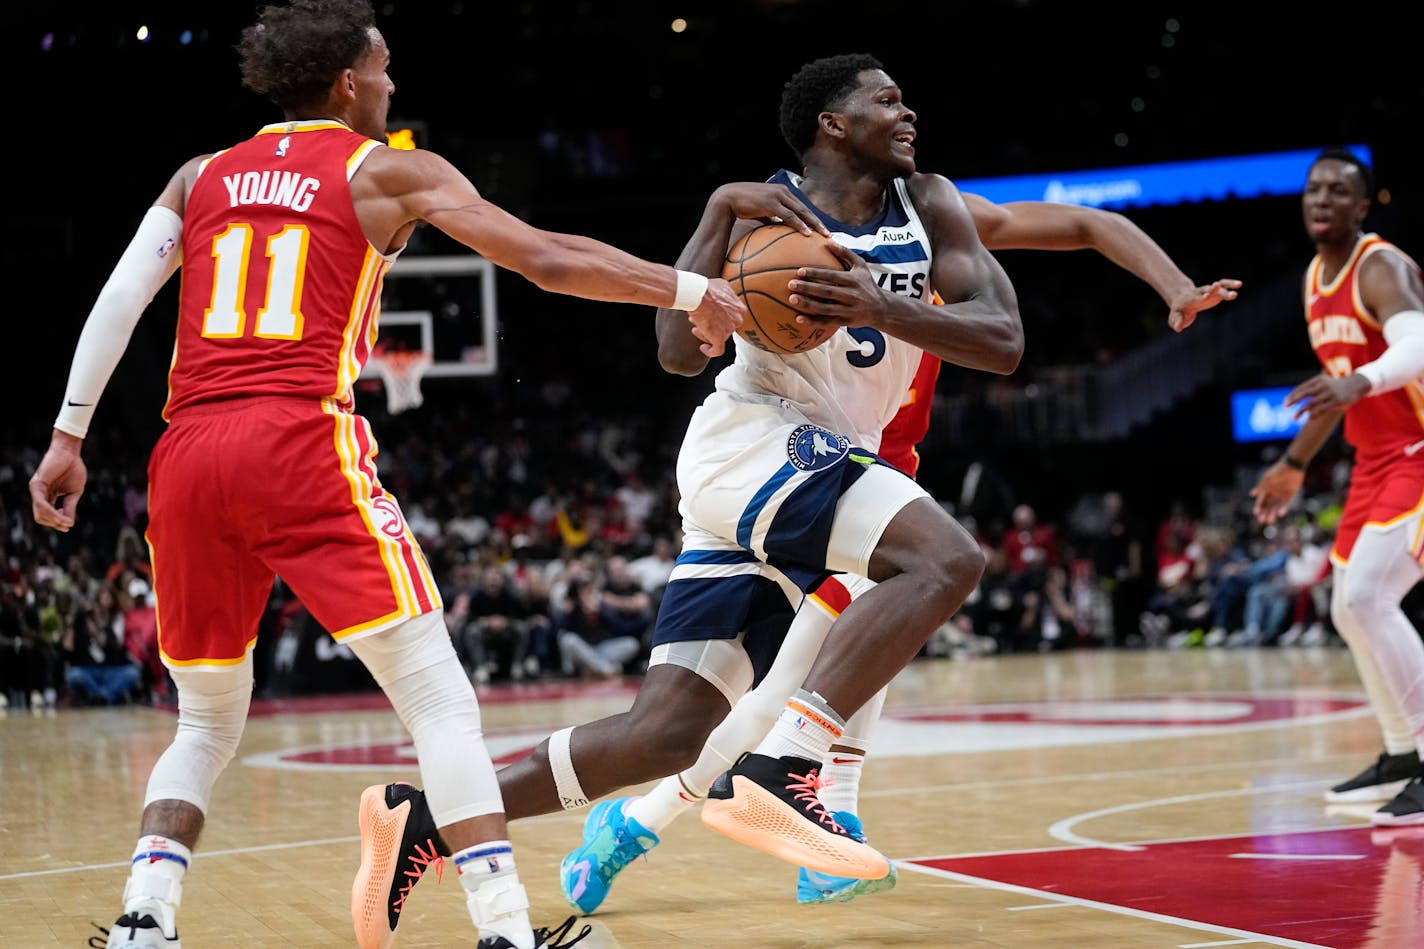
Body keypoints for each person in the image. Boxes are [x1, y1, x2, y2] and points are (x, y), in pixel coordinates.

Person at [362, 50, 1239, 927]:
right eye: (886, 100)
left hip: (823, 465)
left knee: (666, 731)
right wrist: (713, 214)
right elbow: (675, 352)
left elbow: (1002, 339)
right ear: (833, 122)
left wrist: (880, 306)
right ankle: (787, 771)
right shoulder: (756, 214)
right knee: (945, 559)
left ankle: (430, 818)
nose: (908, 113)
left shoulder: (928, 203)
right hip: (754, 440)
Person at [26, 2, 745, 947]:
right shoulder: (388, 170)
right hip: (297, 442)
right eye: (386, 69)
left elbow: (118, 303)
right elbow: (547, 259)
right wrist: (689, 286)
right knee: (438, 699)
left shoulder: (200, 176)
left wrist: (68, 437)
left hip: (189, 453)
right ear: (346, 83)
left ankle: (145, 921)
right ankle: (503, 928)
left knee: (202, 722)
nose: (394, 85)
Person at [555, 185, 1240, 912]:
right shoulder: (792, 223)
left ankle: (818, 816)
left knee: (849, 662)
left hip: (882, 470)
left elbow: (1086, 221)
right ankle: (638, 821)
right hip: (796, 454)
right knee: (784, 692)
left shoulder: (938, 224)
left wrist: (1174, 285)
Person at [1251, 146, 1424, 827]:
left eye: (1336, 190)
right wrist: (1294, 463)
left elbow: (1416, 346)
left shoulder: (1381, 264)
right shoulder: (1313, 280)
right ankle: (1400, 754)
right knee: (1349, 609)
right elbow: (1333, 390)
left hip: (1419, 449)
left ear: (1361, 205)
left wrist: (1360, 381)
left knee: (1368, 594)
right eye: (1312, 189)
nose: (1320, 199)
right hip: (1375, 455)